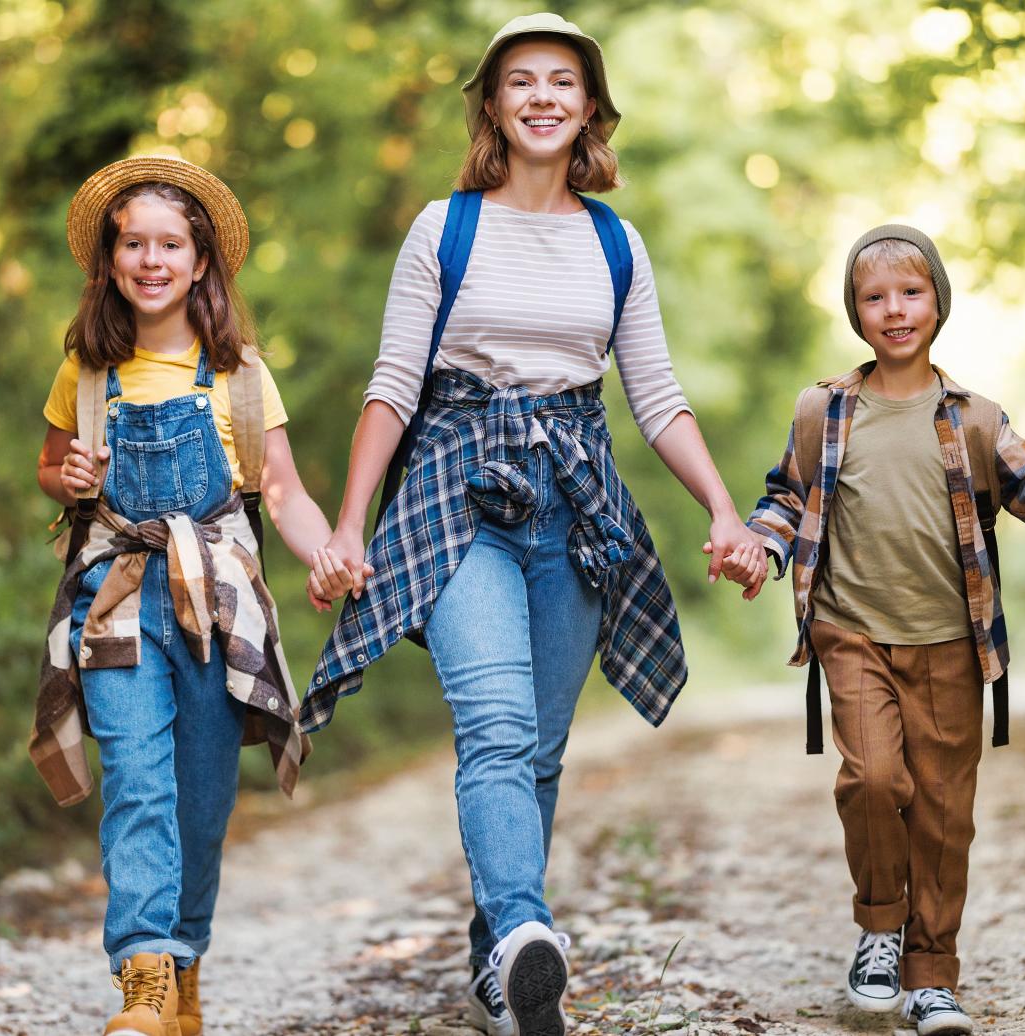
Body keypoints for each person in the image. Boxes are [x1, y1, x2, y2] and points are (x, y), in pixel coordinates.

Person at [301, 14, 760, 1036]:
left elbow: (659, 396)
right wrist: (345, 525)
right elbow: (391, 384)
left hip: (576, 502)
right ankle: (522, 929)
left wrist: (725, 509)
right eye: (521, 82)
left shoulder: (615, 241)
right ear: (494, 106)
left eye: (564, 81)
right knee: (497, 730)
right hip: (455, 495)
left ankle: (498, 960)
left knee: (541, 750)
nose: (544, 97)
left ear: (590, 106)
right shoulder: (444, 228)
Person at [738, 225, 1025, 1035]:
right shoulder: (825, 410)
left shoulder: (975, 418)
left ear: (937, 303)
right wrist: (756, 546)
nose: (894, 309)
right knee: (875, 780)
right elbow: (784, 497)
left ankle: (931, 974)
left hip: (952, 639)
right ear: (856, 313)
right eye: (874, 297)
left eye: (910, 292)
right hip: (851, 629)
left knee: (945, 811)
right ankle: (881, 927)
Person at [30, 155, 359, 1036]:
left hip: (218, 610)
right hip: (116, 596)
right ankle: (140, 975)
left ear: (201, 260)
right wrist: (69, 475)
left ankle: (182, 963)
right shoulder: (88, 369)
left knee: (200, 799)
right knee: (135, 779)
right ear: (108, 260)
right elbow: (51, 468)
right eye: (131, 243)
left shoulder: (241, 374)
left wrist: (328, 553)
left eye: (168, 243)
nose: (149, 259)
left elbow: (281, 491)